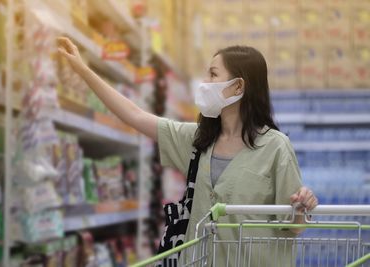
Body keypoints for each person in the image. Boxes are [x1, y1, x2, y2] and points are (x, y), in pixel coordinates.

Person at [57, 37, 318, 266]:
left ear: (238, 87)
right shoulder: (197, 141)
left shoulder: (275, 147)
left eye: (213, 75)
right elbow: (134, 115)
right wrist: (82, 69)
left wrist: (301, 207)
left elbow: (295, 226)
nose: (205, 83)